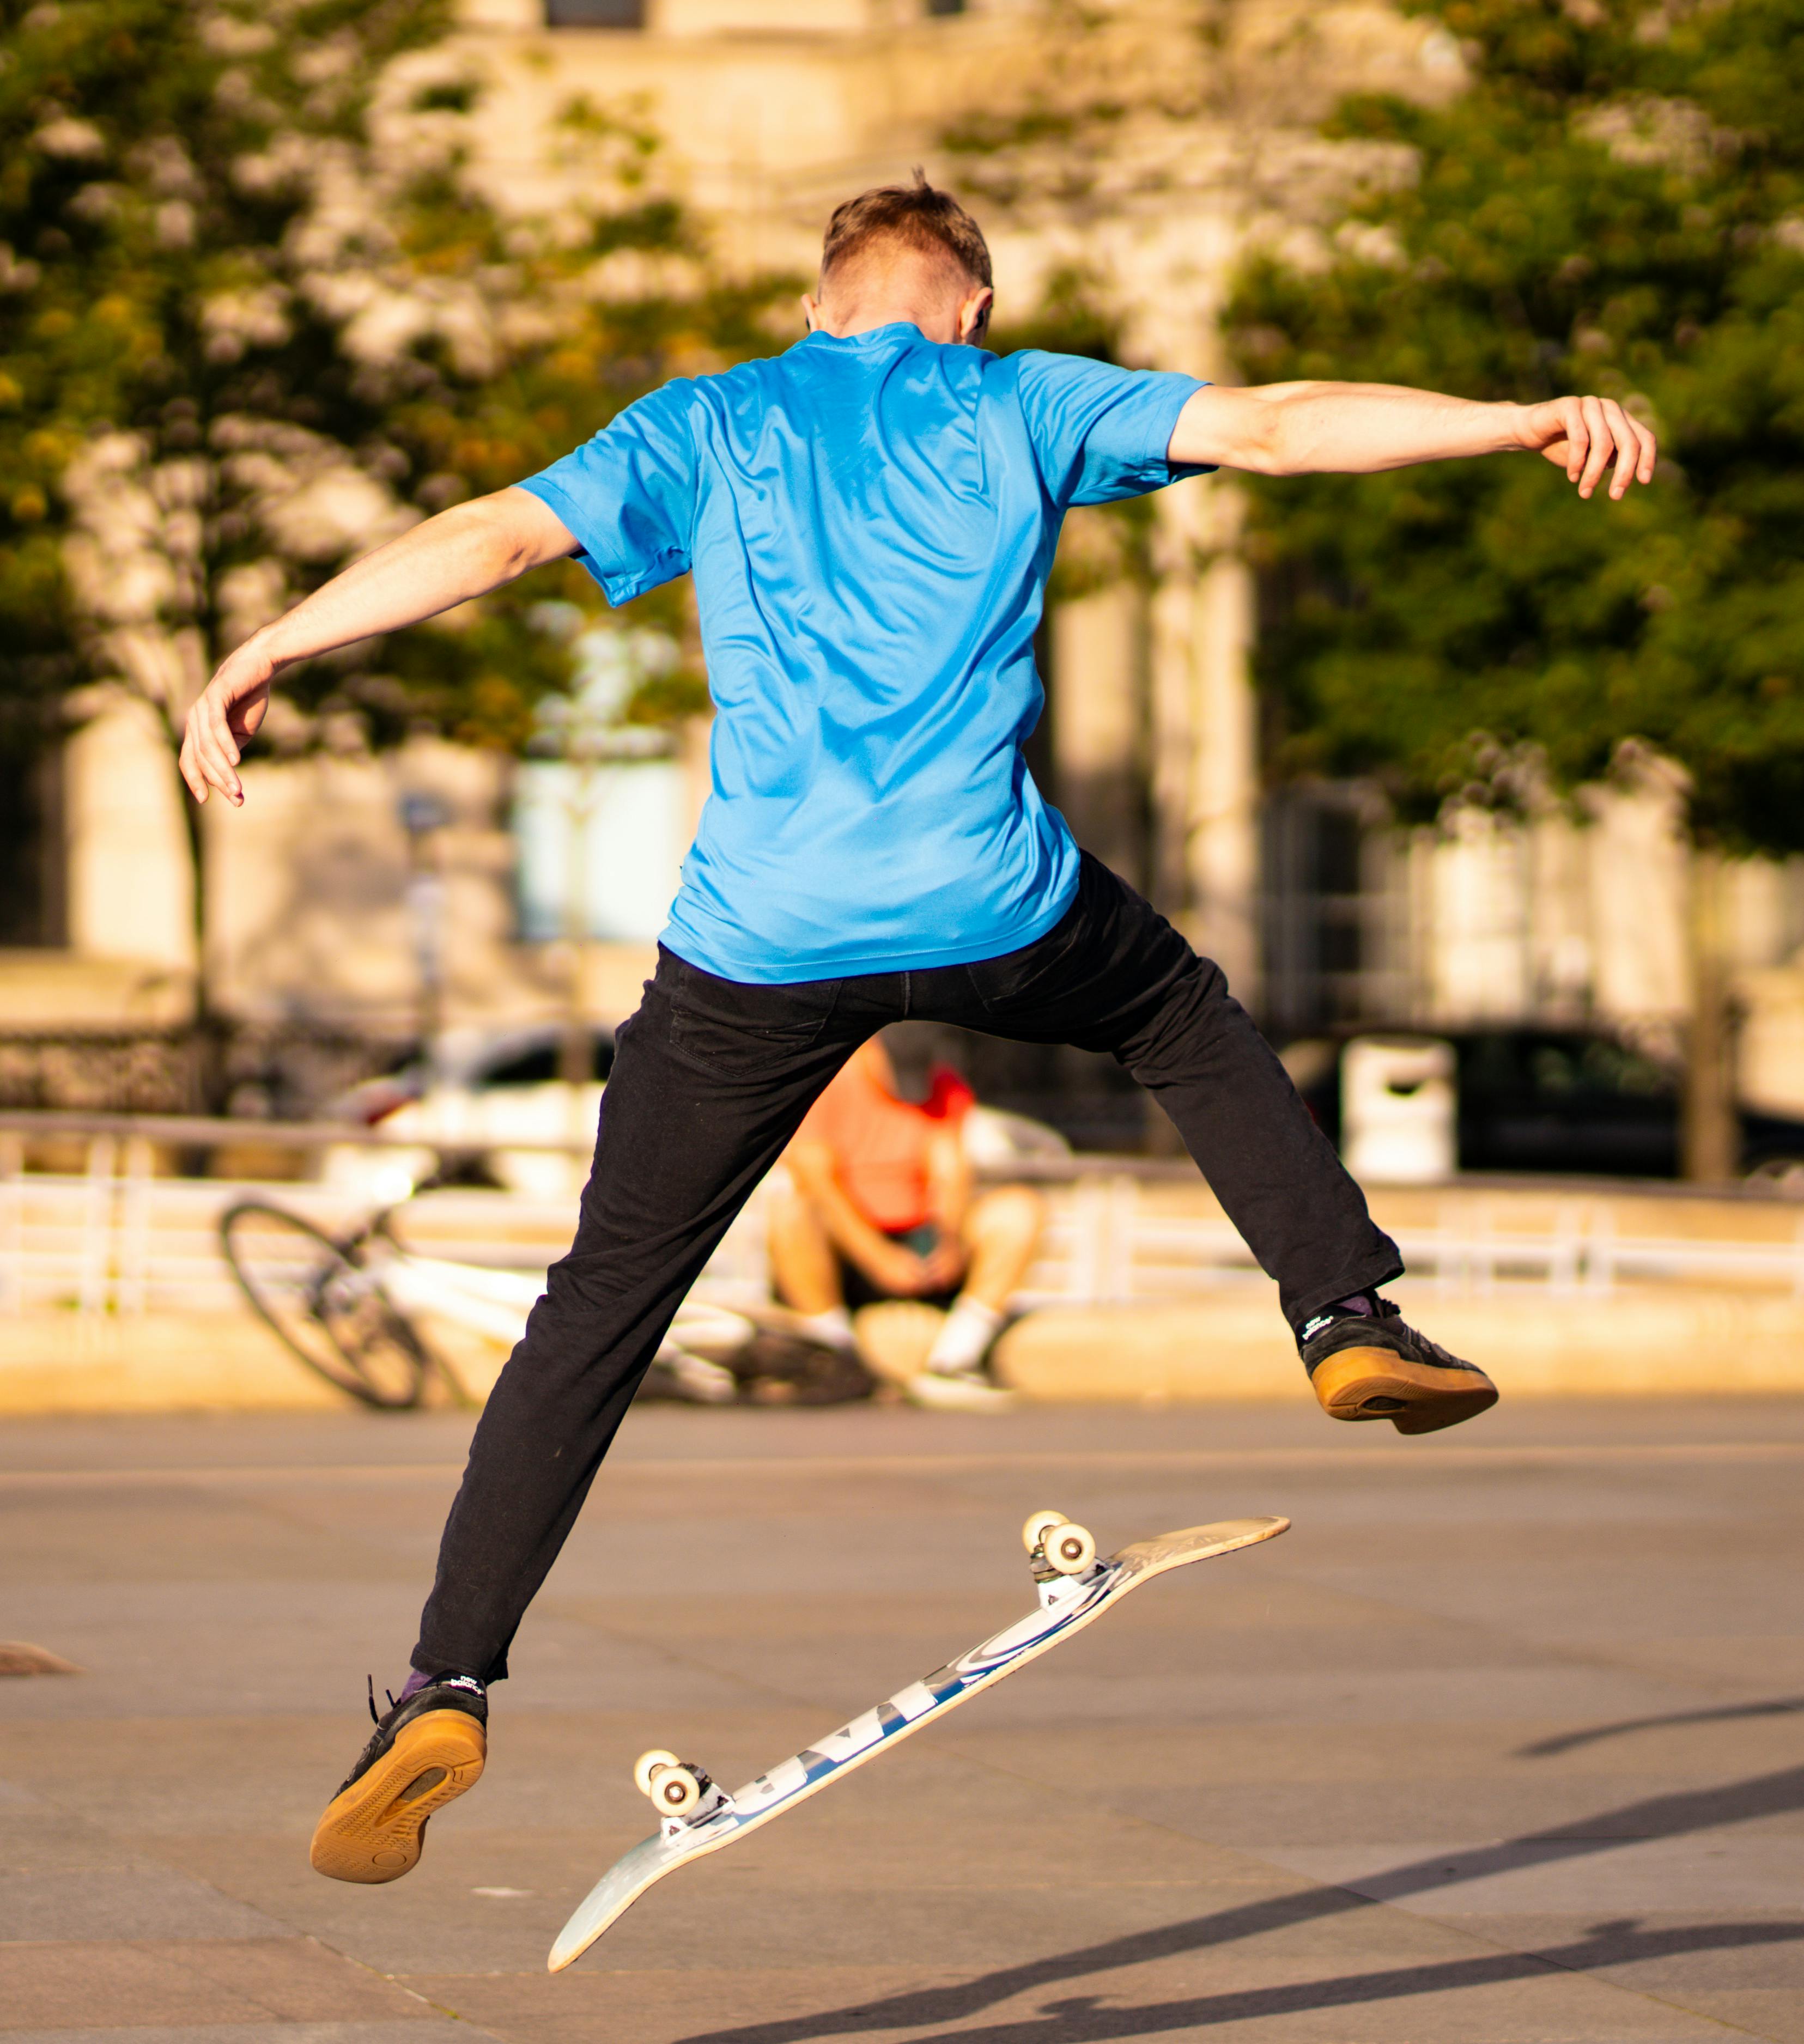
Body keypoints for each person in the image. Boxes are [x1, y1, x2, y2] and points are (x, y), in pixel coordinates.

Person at [178, 173, 1657, 1885]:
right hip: (993, 902)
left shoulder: (710, 418)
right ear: (966, 303)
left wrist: (273, 638)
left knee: (597, 1303)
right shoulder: (1020, 395)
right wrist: (1517, 419)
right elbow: (1269, 427)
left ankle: (445, 1677)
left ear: (822, 306)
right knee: (1176, 1007)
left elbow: (493, 535)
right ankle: (1337, 1307)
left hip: (759, 939)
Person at [768, 1034, 1042, 1410]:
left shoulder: (942, 1082)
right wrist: (875, 1255)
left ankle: (956, 1358)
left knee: (1019, 1208)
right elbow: (816, 1178)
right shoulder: (830, 1078)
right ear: (873, 1049)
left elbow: (949, 1169)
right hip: (850, 1247)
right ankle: (833, 1355)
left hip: (916, 1238)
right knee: (791, 1209)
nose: (910, 1087)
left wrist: (949, 1240)